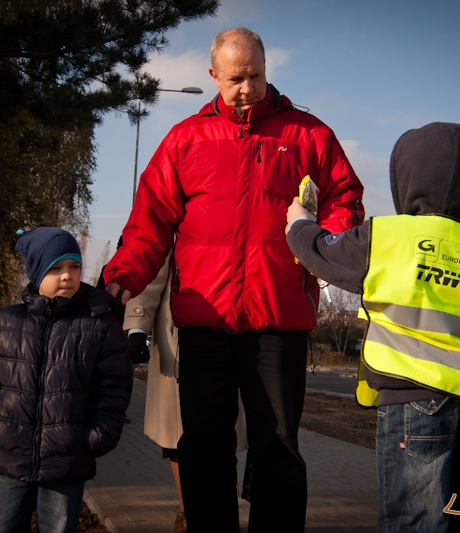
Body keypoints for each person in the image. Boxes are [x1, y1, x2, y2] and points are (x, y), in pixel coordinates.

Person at [103, 27, 364, 532]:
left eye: (256, 76)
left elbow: (344, 199)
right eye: (236, 78)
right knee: (203, 446)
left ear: (267, 70)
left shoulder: (308, 135)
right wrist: (121, 279)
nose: (247, 88)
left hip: (278, 320)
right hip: (205, 325)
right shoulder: (184, 141)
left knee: (279, 446)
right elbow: (148, 223)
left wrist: (322, 245)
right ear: (213, 76)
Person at [285, 122, 460, 533]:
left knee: (414, 516)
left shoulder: (389, 237)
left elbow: (324, 255)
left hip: (414, 400)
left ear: (406, 177)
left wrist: (300, 222)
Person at [0, 227, 133, 533]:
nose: (67, 275)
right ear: (36, 272)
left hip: (67, 460)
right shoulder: (3, 323)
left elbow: (114, 390)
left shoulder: (100, 327)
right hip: (9, 455)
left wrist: (94, 437)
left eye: (74, 266)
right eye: (56, 268)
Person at [124, 251, 248, 533]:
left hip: (234, 331)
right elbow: (152, 264)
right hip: (179, 336)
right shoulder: (180, 210)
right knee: (179, 435)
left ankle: (217, 511)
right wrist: (136, 325)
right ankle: (186, 511)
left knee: (221, 434)